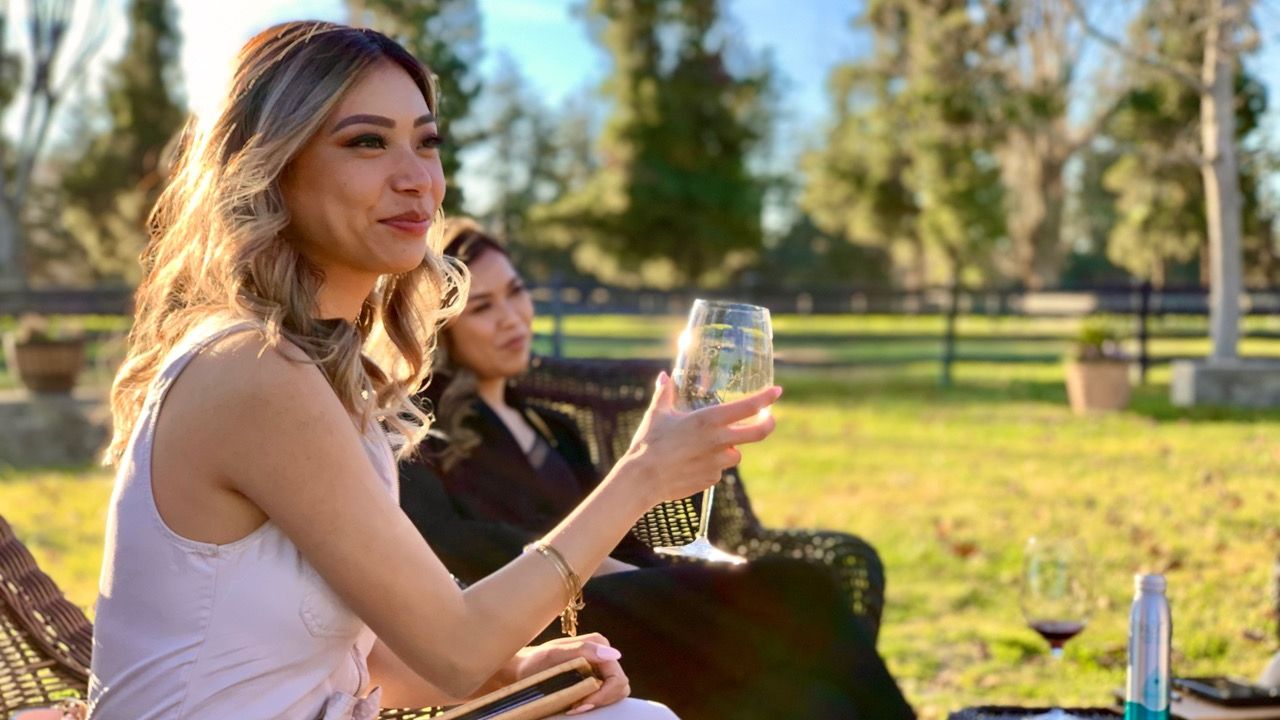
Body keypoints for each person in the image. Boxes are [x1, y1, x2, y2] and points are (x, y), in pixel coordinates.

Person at [89, 21, 782, 720]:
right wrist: (643, 476)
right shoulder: (253, 370)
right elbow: (456, 648)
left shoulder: (312, 369)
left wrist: (518, 669)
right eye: (367, 142)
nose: (417, 179)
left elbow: (360, 660)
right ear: (271, 164)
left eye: (427, 143)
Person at [398, 218, 917, 720]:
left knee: (813, 703)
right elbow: (458, 545)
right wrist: (608, 567)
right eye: (483, 307)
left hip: (642, 600)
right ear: (440, 324)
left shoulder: (554, 426)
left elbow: (627, 533)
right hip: (565, 626)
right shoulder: (423, 435)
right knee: (799, 584)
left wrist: (662, 572)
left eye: (516, 293)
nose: (512, 318)